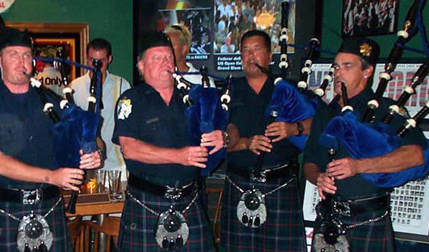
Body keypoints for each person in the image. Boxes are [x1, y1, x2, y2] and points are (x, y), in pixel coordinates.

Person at [0, 27, 101, 252]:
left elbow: (89, 137)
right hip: (9, 207)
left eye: (27, 55)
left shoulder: (53, 102)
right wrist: (51, 176)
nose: (22, 62)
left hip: (50, 205)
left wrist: (92, 150)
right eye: (13, 55)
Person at [303, 38, 426, 251]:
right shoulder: (325, 113)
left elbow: (417, 155)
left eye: (347, 66)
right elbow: (309, 163)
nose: (339, 73)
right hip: (329, 218)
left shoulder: (386, 110)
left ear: (367, 71)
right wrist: (318, 178)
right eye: (336, 67)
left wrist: (359, 166)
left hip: (368, 218)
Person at [112, 32, 223, 251]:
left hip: (189, 200)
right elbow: (130, 149)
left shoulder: (193, 98)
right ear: (142, 66)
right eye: (157, 58)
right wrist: (179, 156)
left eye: (169, 57)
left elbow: (221, 132)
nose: (166, 62)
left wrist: (223, 137)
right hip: (147, 202)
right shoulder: (130, 100)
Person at [221, 30, 309, 251]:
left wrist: (293, 128)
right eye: (245, 51)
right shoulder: (229, 90)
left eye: (257, 49)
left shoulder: (288, 89)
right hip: (239, 183)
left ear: (270, 55)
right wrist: (244, 142)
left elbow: (320, 123)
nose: (251, 56)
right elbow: (222, 134)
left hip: (280, 185)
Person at [70, 38, 130, 179]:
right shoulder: (75, 87)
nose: (96, 66)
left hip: (116, 166)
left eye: (101, 61)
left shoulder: (122, 85)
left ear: (109, 59)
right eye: (92, 60)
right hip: (85, 165)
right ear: (86, 59)